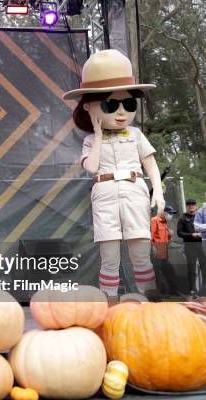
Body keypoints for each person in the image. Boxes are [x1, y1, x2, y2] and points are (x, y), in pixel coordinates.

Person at [63, 49, 165, 302]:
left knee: (140, 248)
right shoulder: (89, 140)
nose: (121, 112)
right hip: (105, 193)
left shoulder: (136, 134)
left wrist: (159, 191)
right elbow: (91, 167)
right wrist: (97, 135)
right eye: (111, 104)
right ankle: (108, 299)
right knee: (110, 253)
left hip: (134, 189)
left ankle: (149, 295)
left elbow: (150, 163)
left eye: (128, 104)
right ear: (89, 106)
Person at [177, 198, 206, 296]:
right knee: (191, 268)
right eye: (189, 204)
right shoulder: (182, 218)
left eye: (193, 204)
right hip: (190, 246)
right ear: (187, 206)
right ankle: (192, 290)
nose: (191, 206)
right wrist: (191, 235)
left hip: (202, 245)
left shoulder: (202, 216)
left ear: (196, 205)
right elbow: (179, 233)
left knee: (204, 267)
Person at [150, 205, 179, 297]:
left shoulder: (165, 222)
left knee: (169, 271)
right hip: (157, 250)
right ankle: (158, 293)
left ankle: (172, 291)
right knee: (157, 273)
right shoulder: (155, 220)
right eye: (170, 213)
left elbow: (166, 238)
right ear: (164, 212)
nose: (171, 215)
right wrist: (154, 248)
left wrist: (170, 234)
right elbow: (151, 235)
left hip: (164, 251)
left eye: (172, 214)